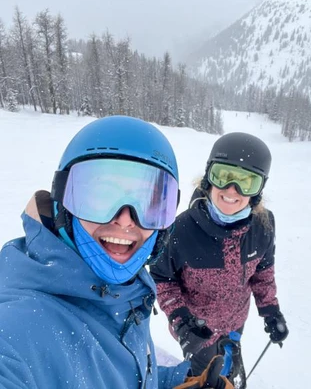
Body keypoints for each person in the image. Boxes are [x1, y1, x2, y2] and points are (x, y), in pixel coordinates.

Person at [0, 115, 234, 389]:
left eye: (148, 204)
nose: (125, 221)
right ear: (63, 201)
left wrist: (177, 382)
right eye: (101, 196)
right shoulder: (16, 332)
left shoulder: (127, 293)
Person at [150, 132, 288, 382]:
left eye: (246, 182)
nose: (232, 190)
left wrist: (271, 311)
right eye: (223, 176)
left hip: (236, 321)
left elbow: (263, 273)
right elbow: (162, 279)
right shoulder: (181, 229)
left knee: (230, 364)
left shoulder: (263, 225)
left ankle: (232, 372)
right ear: (208, 178)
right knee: (205, 378)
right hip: (197, 331)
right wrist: (182, 321)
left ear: (258, 190)